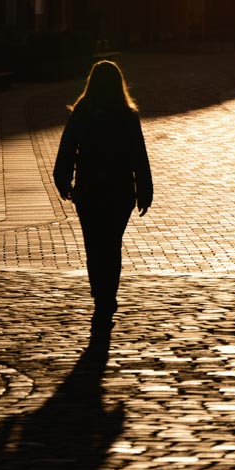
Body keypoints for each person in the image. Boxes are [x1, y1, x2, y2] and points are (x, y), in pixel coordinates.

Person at [53, 59, 152, 331]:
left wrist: (63, 180)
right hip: (120, 192)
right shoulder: (127, 114)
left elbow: (67, 149)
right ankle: (108, 296)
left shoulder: (82, 112)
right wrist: (144, 189)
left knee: (94, 246)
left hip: (89, 190)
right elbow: (138, 155)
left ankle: (100, 294)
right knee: (112, 246)